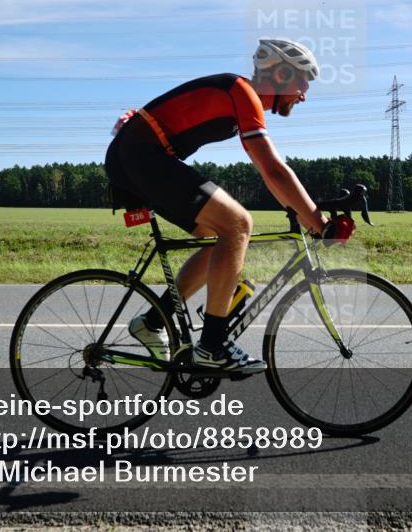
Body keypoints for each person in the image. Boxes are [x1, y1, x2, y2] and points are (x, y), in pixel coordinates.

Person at [104, 39, 330, 374]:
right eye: (302, 81)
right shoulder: (242, 91)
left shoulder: (241, 98)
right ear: (281, 74)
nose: (304, 93)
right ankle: (212, 345)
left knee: (219, 238)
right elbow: (273, 169)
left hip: (142, 156)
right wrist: (316, 220)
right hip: (140, 156)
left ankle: (153, 321)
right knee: (238, 224)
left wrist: (303, 212)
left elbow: (270, 176)